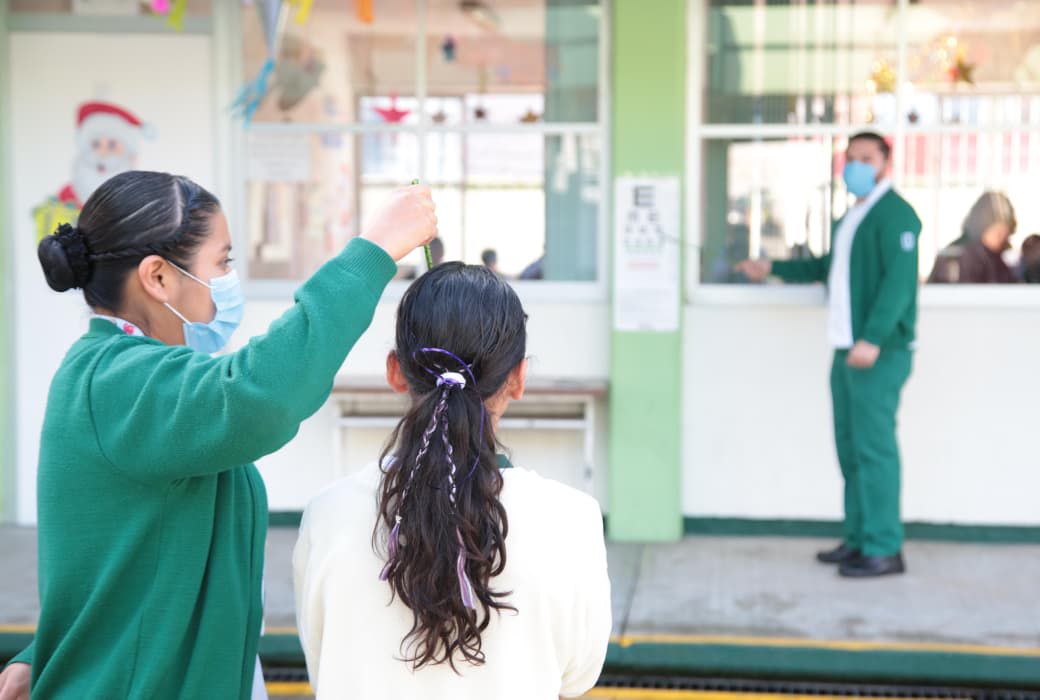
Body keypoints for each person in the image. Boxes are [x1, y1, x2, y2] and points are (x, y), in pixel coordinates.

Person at [0, 171, 435, 699]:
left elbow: (103, 560)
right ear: (158, 277)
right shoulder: (120, 382)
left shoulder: (115, 376)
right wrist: (372, 253)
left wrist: (47, 651)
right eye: (222, 263)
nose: (230, 281)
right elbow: (263, 394)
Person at [292, 263, 611, 699]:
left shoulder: (328, 515)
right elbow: (576, 676)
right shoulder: (571, 520)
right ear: (518, 378)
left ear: (395, 371)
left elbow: (322, 663)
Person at [737, 132, 921, 578]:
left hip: (877, 351)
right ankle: (858, 539)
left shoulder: (896, 215)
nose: (856, 167)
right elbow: (827, 267)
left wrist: (873, 338)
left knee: (874, 450)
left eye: (866, 158)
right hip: (846, 347)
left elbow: (899, 284)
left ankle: (884, 547)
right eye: (850, 158)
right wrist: (773, 268)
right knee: (850, 448)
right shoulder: (852, 217)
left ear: (886, 164)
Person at [928, 191, 1017, 284]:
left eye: (1006, 233)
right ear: (981, 226)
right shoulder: (956, 256)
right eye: (998, 232)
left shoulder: (998, 260)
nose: (1002, 238)